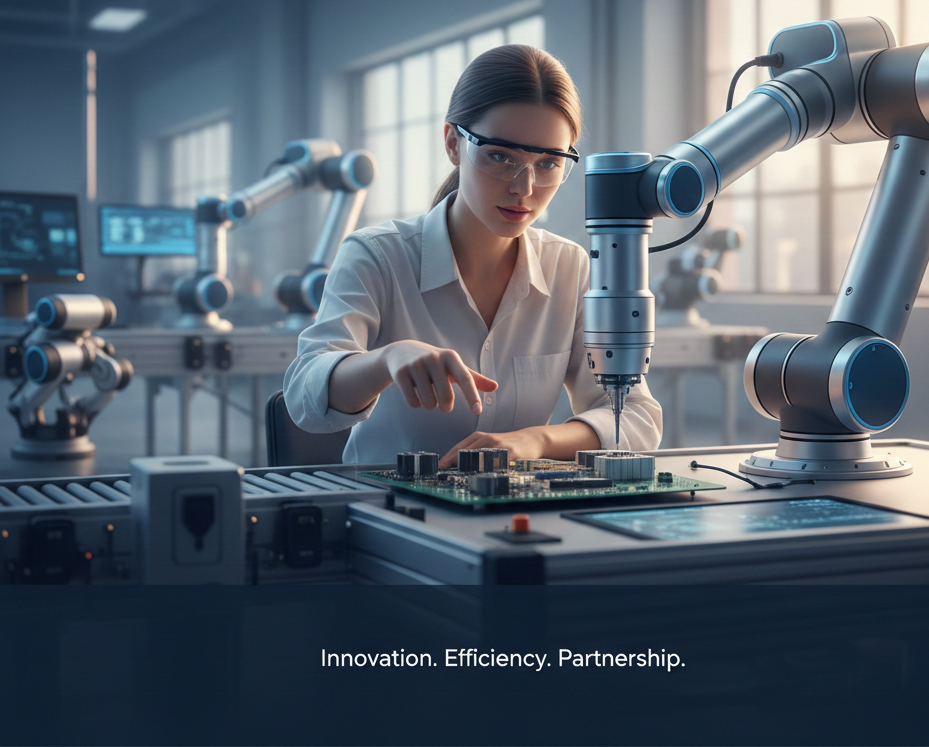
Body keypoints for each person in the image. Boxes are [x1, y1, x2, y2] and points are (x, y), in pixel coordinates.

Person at [283, 44, 661, 466]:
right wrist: (384, 361)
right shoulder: (377, 256)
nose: (524, 188)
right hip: (387, 513)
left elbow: (637, 418)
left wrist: (534, 441)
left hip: (518, 517)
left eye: (549, 163)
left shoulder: (570, 269)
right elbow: (303, 399)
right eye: (501, 156)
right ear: (452, 144)